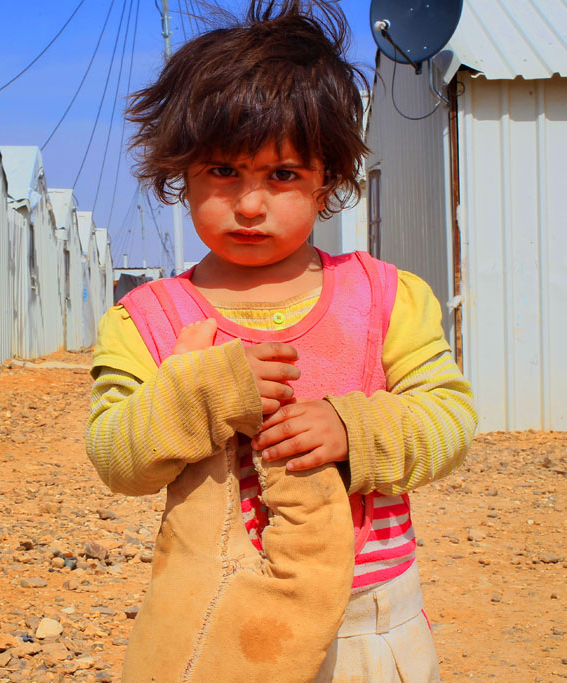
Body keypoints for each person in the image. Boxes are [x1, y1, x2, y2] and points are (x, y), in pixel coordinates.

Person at [85, 1, 477, 681]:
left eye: (283, 175)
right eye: (223, 172)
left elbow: (450, 419)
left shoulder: (385, 298)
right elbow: (116, 457)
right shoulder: (147, 318)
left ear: (328, 177)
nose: (249, 204)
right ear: (182, 172)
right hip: (219, 622)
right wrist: (199, 394)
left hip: (368, 621)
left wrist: (354, 428)